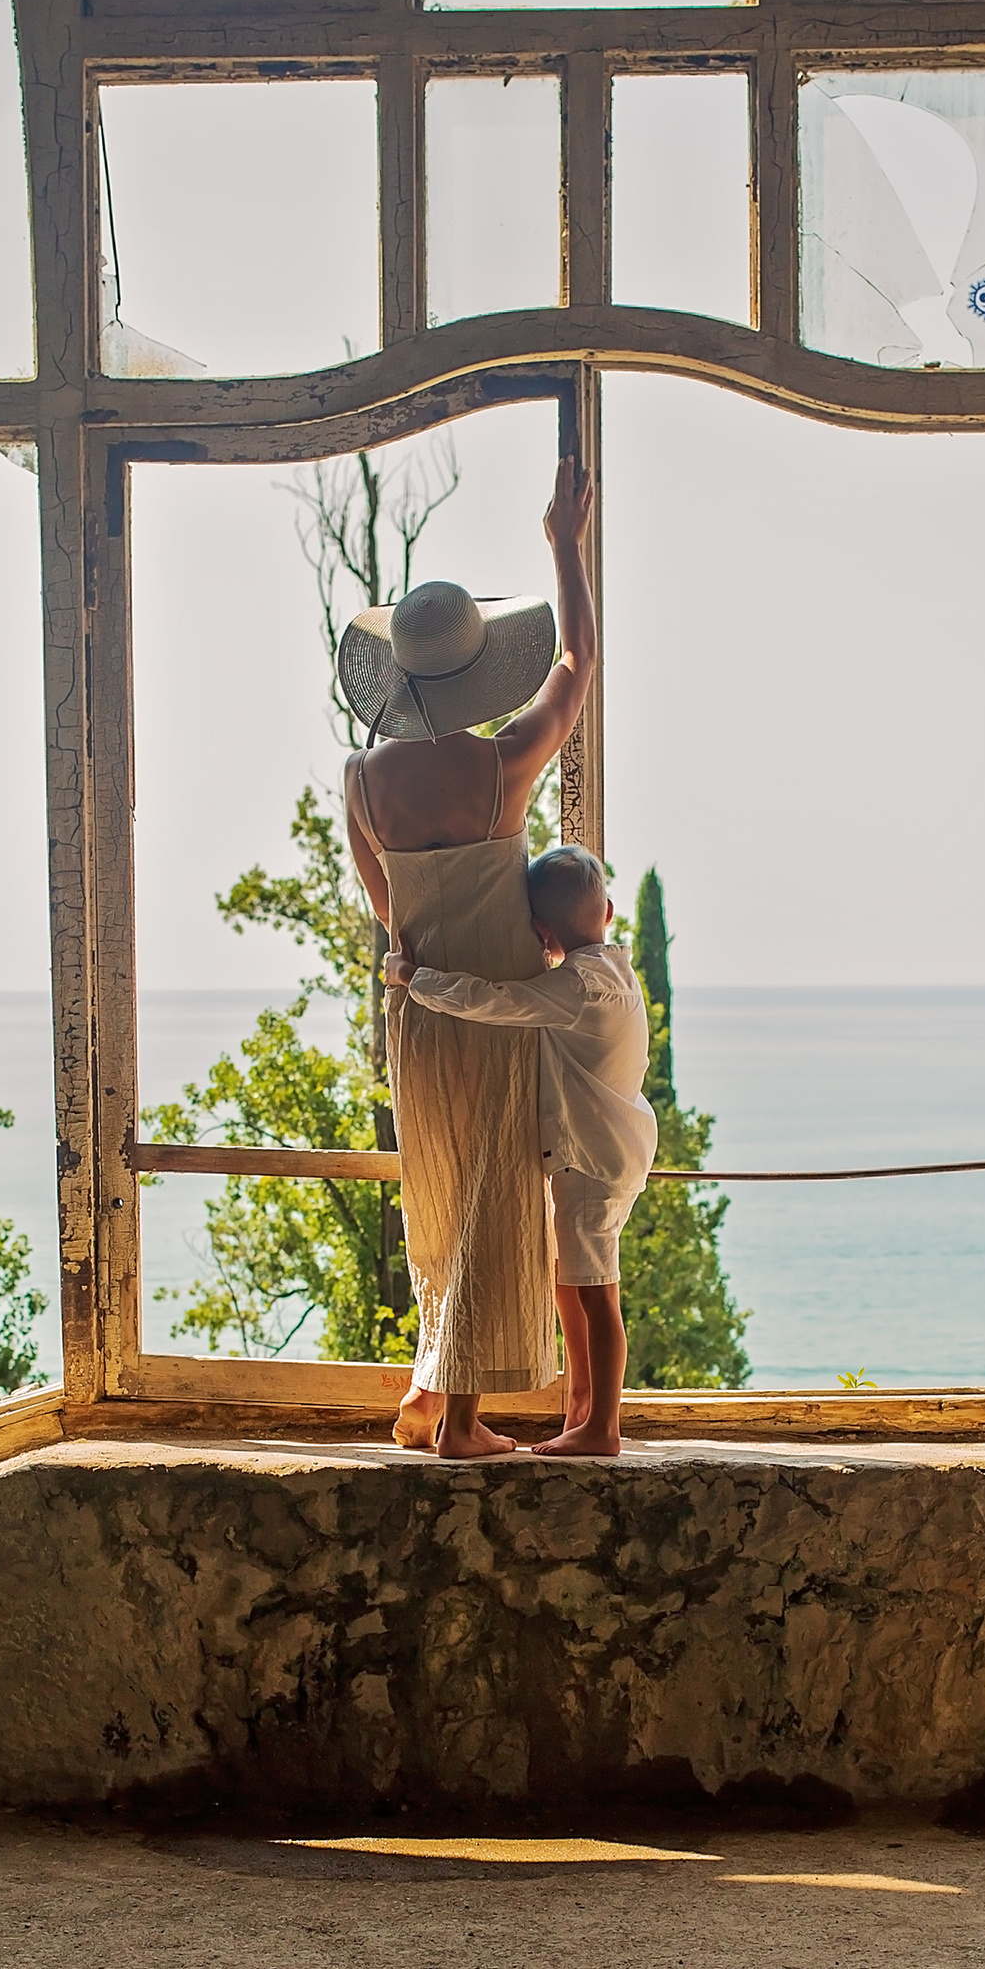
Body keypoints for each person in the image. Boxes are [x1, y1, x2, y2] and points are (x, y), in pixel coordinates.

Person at [342, 463, 596, 1460]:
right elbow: (576, 661)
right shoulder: (501, 765)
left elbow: (385, 914)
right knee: (496, 1199)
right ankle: (457, 1425)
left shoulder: (361, 778)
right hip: (496, 997)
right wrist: (562, 544)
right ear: (477, 670)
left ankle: (421, 1391)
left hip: (417, 1011)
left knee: (439, 1193)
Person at [388, 844, 657, 1459]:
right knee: (573, 1283)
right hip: (606, 1150)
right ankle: (584, 1412)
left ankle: (602, 1428)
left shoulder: (576, 987)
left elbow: (493, 1001)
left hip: (588, 1160)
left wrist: (412, 978)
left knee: (596, 1294)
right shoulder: (616, 972)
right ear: (609, 911)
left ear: (540, 931)